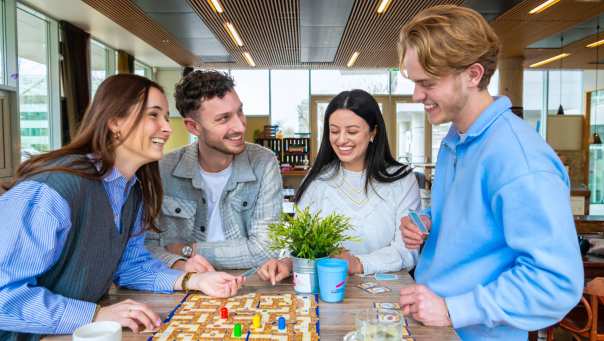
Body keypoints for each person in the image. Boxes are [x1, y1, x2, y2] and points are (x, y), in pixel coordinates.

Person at [0, 74, 243, 339]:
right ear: (115, 122)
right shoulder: (51, 191)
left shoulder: (132, 191)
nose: (167, 127)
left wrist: (193, 280)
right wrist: (95, 315)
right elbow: (4, 297)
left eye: (165, 116)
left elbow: (131, 267)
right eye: (153, 115)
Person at [397, 5, 583, 340]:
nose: (417, 95)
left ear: (472, 74)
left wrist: (455, 309)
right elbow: (478, 225)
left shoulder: (519, 159)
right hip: (439, 327)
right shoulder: (455, 140)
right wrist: (429, 220)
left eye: (427, 82)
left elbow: (556, 282)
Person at [258, 89, 420, 284]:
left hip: (387, 292)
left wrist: (358, 263)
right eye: (334, 131)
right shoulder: (317, 180)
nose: (341, 139)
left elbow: (407, 252)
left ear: (373, 132)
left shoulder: (401, 180)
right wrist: (287, 262)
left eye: (352, 131)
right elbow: (300, 241)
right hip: (325, 288)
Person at [144, 70, 282, 272]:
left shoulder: (263, 162)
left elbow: (266, 249)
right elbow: (146, 247)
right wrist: (183, 265)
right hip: (180, 282)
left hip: (246, 285)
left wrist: (189, 250)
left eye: (240, 112)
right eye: (224, 119)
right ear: (193, 127)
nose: (240, 126)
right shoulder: (162, 169)